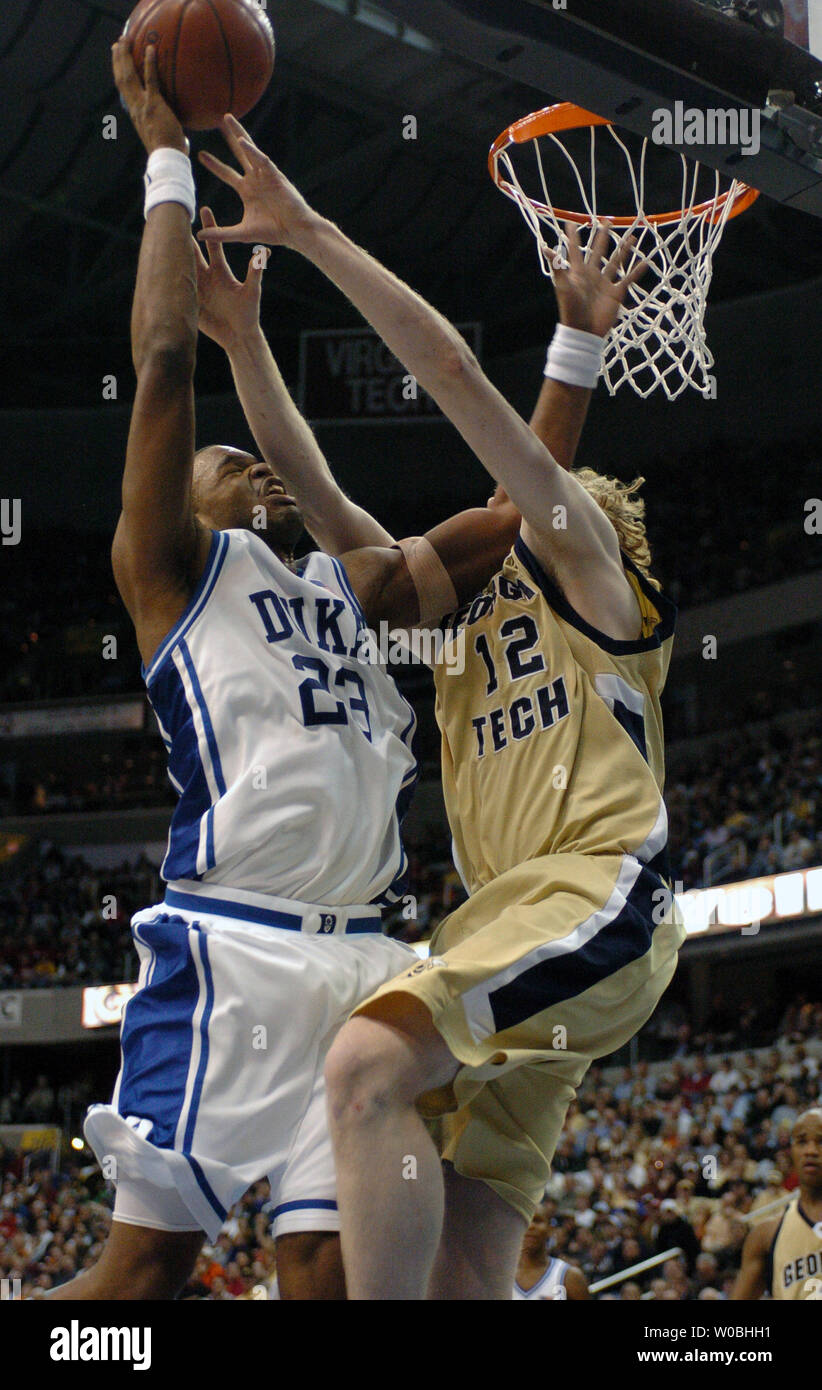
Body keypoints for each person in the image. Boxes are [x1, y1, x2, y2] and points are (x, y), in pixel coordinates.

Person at [51, 41, 523, 1302]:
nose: (239, 468)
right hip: (236, 948)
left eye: (244, 457)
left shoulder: (349, 587)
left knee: (328, 1271)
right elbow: (161, 367)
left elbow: (520, 511)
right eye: (219, 461)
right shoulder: (173, 570)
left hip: (368, 962)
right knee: (139, 1282)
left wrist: (575, 356)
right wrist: (163, 160)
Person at [200, 116, 685, 1299]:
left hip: (600, 891)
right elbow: (318, 498)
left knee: (366, 1062)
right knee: (467, 1255)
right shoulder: (458, 630)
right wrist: (245, 344)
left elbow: (472, 398)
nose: (523, 513)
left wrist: (311, 230)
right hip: (503, 925)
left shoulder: (596, 585)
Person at [732, 1108, 822, 1300]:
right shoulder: (765, 1235)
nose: (811, 1151)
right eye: (802, 1141)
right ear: (792, 1150)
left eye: (821, 1141)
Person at [513, 1205, 589, 1300]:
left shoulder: (570, 1276)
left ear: (550, 1228)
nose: (531, 1226)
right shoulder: (498, 1277)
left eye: (537, 1220)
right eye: (524, 1221)